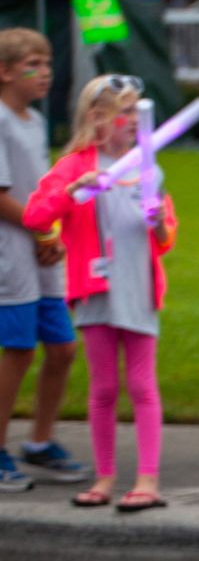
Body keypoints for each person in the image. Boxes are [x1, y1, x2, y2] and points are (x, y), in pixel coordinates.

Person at [22, 75, 176, 513]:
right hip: (94, 290)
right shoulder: (74, 166)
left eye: (137, 112)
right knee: (104, 386)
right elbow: (36, 214)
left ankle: (148, 479)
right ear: (97, 119)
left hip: (139, 289)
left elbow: (165, 236)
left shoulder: (148, 166)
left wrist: (157, 222)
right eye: (124, 112)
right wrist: (72, 191)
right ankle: (105, 476)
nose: (133, 121)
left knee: (142, 384)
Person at [0, 29, 86, 493]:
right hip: (11, 256)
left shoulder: (33, 121)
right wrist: (38, 230)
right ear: (5, 71)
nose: (45, 73)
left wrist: (52, 233)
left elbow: (45, 189)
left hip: (41, 249)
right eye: (34, 64)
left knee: (63, 348)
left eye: (49, 63)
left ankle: (40, 441)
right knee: (17, 350)